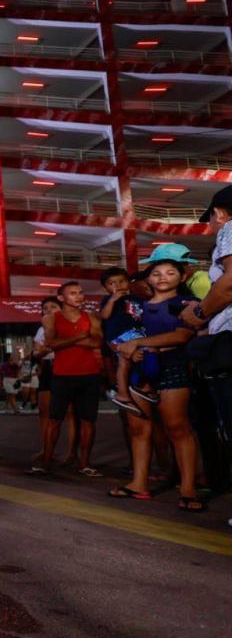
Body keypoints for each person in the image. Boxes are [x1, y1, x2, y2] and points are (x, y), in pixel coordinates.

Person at [110, 259, 203, 511]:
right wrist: (127, 349)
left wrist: (140, 344)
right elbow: (118, 338)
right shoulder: (135, 307)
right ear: (147, 279)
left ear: (182, 278)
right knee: (139, 431)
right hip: (139, 373)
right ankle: (139, 483)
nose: (162, 277)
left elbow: (183, 335)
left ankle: (188, 489)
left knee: (177, 429)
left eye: (170, 272)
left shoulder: (183, 304)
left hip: (172, 369)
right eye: (156, 273)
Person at [179, 185, 232, 498]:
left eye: (211, 221)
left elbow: (229, 284)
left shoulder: (230, 227)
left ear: (220, 213)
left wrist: (199, 312)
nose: (212, 228)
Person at [29, 281, 104, 477]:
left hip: (89, 374)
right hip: (62, 375)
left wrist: (69, 340)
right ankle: (46, 462)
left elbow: (96, 341)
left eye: (80, 292)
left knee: (88, 420)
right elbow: (51, 343)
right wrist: (79, 336)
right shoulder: (51, 319)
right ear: (61, 298)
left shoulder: (92, 317)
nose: (79, 296)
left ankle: (85, 463)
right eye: (73, 293)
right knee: (54, 420)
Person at [99, 267, 153, 416]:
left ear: (128, 282)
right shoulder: (107, 300)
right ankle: (123, 392)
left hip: (136, 333)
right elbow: (104, 316)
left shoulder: (136, 299)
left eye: (122, 281)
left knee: (137, 358)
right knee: (125, 360)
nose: (118, 285)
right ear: (105, 287)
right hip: (119, 335)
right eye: (112, 283)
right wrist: (112, 300)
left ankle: (141, 386)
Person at [33, 297, 79, 466]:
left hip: (67, 368)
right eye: (45, 307)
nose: (49, 310)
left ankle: (72, 453)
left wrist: (51, 347)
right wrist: (39, 355)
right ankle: (46, 450)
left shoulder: (70, 325)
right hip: (48, 368)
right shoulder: (41, 330)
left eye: (53, 306)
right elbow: (36, 352)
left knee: (69, 413)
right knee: (44, 411)